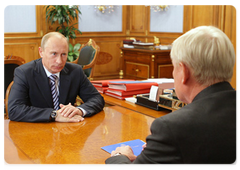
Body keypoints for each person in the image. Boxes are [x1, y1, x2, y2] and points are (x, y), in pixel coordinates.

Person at [105, 26, 237, 164]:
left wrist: (119, 156)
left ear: (184, 72)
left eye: (174, 67)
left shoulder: (172, 127)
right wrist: (157, 151)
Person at [8, 32, 105, 122]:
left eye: (63, 54)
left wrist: (79, 110)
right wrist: (54, 115)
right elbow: (14, 109)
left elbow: (97, 99)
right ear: (41, 52)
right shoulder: (24, 72)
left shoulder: (75, 71)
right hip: (36, 130)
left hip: (67, 131)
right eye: (54, 54)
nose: (59, 61)